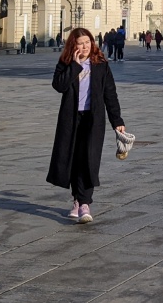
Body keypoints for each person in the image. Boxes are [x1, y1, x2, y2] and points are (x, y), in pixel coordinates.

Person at [47, 28, 125, 224]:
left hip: (93, 118)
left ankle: (85, 203)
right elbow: (59, 86)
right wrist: (75, 65)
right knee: (73, 158)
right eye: (80, 43)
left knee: (89, 159)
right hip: (71, 118)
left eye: (87, 43)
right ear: (73, 45)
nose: (84, 47)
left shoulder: (101, 65)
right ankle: (76, 200)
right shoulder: (66, 63)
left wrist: (117, 121)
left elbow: (110, 94)